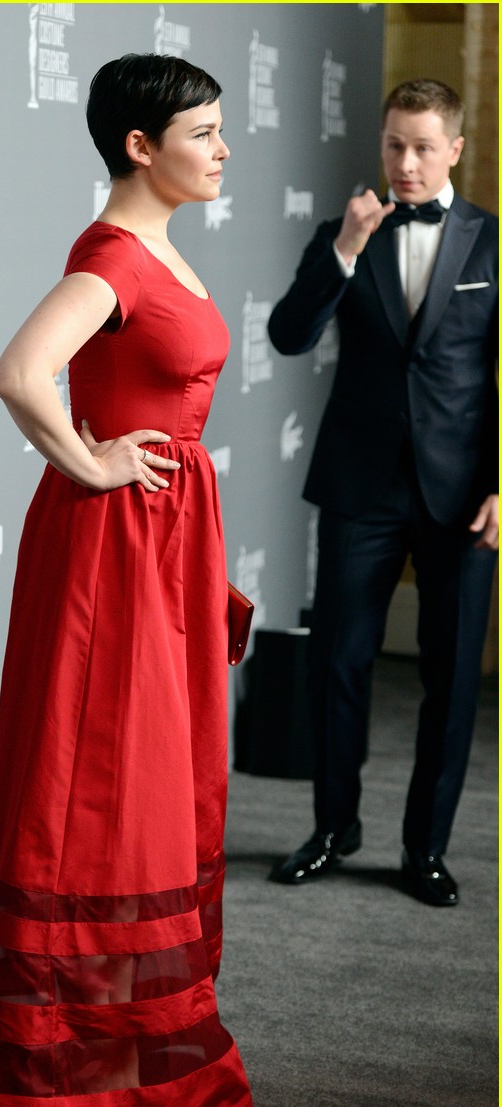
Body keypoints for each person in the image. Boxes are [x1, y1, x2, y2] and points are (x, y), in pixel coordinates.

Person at [0, 53, 253, 1107]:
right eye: (204, 132)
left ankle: (134, 1071)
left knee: (152, 795)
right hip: (112, 551)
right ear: (140, 146)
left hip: (162, 544)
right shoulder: (112, 256)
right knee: (98, 798)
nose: (223, 149)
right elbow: (21, 371)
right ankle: (59, 1103)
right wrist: (87, 463)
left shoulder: (160, 249)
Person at [268, 79, 498, 906]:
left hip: (464, 497)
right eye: (394, 144)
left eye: (423, 147)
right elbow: (288, 336)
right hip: (360, 486)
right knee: (338, 662)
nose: (404, 163)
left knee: (451, 677)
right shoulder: (344, 232)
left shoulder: (492, 241)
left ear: (456, 151)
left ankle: (424, 850)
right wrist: (346, 253)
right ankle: (335, 828)